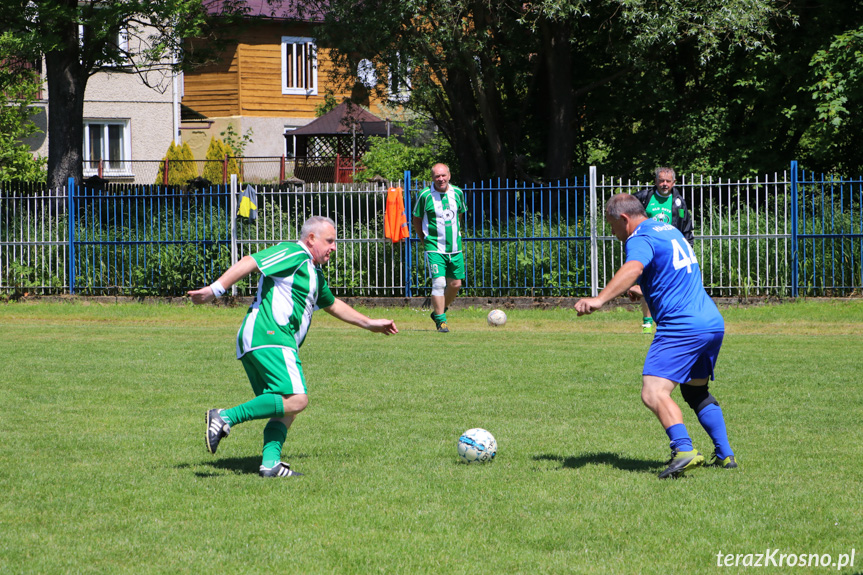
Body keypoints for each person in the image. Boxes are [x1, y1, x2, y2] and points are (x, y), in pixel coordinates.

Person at [188, 216, 399, 478]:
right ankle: (225, 417)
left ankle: (271, 464)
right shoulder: (294, 252)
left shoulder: (312, 272)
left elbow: (331, 304)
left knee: (287, 407)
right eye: (329, 241)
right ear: (311, 239)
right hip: (270, 335)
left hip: (265, 339)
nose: (334, 247)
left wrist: (370, 324)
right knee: (297, 399)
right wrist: (215, 290)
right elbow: (251, 261)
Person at [575, 193, 736, 479]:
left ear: (625, 219)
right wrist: (645, 289)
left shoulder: (639, 237)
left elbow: (634, 267)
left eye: (612, 227)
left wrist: (600, 300)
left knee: (653, 392)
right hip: (710, 322)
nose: (613, 234)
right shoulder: (669, 230)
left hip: (682, 326)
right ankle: (725, 455)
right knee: (695, 390)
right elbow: (673, 272)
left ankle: (684, 450)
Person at [633, 167, 694, 334]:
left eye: (668, 181)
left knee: (668, 286)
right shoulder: (644, 198)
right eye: (661, 180)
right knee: (646, 282)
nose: (664, 184)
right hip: (648, 248)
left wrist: (688, 247)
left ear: (674, 182)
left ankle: (665, 320)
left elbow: (686, 228)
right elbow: (628, 212)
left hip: (669, 251)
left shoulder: (679, 202)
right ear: (656, 181)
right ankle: (647, 322)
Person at [411, 163, 467, 333]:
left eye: (443, 175)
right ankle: (441, 322)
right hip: (434, 246)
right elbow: (417, 220)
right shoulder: (425, 195)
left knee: (455, 284)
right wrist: (424, 239)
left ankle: (438, 312)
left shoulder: (457, 193)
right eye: (437, 176)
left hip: (455, 247)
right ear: (432, 178)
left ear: (449, 176)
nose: (440, 179)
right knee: (439, 282)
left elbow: (460, 214)